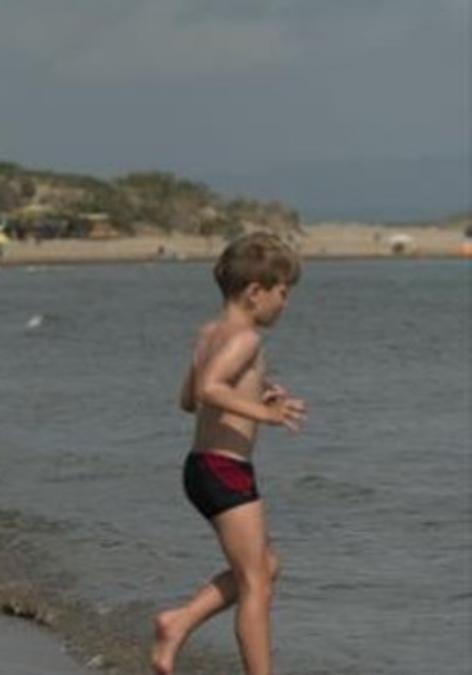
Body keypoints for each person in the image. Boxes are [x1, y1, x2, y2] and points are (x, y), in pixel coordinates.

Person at [150, 232, 306, 675]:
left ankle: (177, 622)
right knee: (256, 583)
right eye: (282, 292)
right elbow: (209, 389)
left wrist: (255, 389)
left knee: (264, 566)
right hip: (225, 470)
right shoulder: (247, 339)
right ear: (255, 292)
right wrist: (265, 413)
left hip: (201, 468)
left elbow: (189, 400)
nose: (285, 303)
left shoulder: (210, 333)